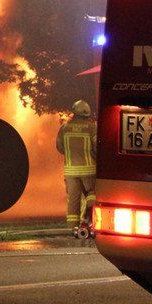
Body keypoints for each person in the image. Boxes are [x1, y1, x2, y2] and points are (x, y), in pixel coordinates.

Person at [57, 99, 97, 234]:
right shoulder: (91, 128)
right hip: (89, 170)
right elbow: (97, 148)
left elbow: (60, 148)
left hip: (71, 172)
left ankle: (72, 229)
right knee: (92, 194)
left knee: (73, 201)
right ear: (87, 114)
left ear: (74, 113)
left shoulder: (64, 128)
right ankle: (88, 221)